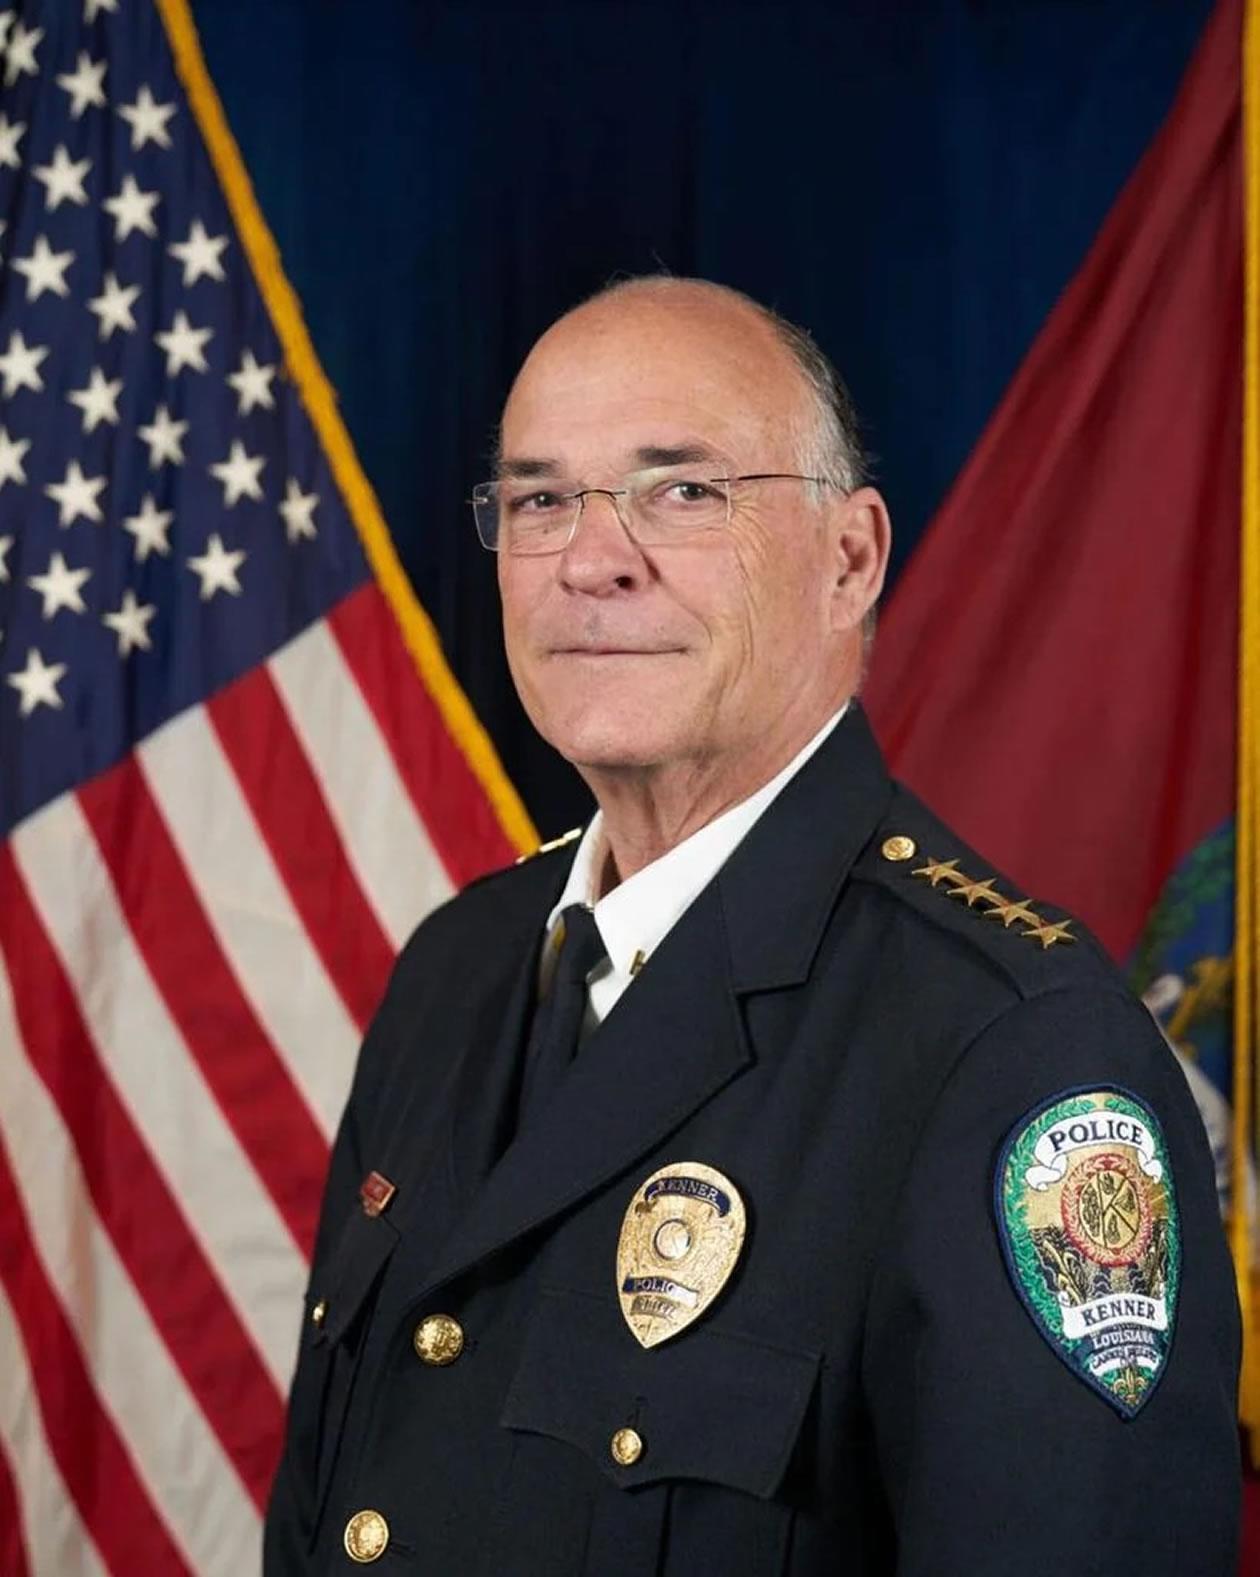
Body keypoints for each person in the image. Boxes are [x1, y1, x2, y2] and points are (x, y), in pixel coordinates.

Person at [264, 278, 1240, 1574]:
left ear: (850, 561)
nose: (591, 559)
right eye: (541, 500)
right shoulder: (457, 968)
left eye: (683, 490)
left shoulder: (1011, 1048)